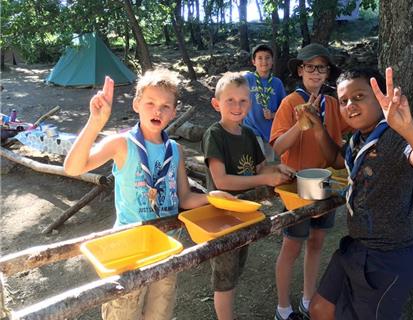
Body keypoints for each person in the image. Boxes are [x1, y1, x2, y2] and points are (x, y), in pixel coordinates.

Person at [64, 69, 232, 320]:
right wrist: (95, 122)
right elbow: (73, 167)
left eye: (166, 106)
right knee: (124, 312)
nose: (158, 111)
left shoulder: (174, 150)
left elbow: (184, 199)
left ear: (174, 112)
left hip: (167, 249)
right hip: (129, 252)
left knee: (159, 314)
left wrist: (214, 197)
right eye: (150, 103)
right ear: (136, 105)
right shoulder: (121, 144)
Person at [309, 67, 413, 320]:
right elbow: (336, 159)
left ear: (378, 97)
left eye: (359, 96)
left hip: (388, 258)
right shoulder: (357, 140)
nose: (350, 104)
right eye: (344, 101)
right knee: (320, 308)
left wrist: (408, 129)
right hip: (356, 248)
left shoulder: (394, 138)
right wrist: (318, 127)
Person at [202, 72, 295, 320]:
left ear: (250, 105)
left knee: (235, 270)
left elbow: (262, 168)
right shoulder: (215, 134)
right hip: (221, 219)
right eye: (230, 100)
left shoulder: (249, 135)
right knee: (225, 279)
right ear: (216, 104)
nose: (237, 106)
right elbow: (221, 181)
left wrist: (278, 169)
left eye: (243, 101)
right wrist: (265, 178)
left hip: (244, 215)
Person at [270, 43, 351, 320]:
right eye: (310, 67)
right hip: (296, 187)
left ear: (328, 73)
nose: (316, 72)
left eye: (322, 67)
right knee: (292, 245)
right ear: (300, 70)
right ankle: (283, 307)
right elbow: (277, 148)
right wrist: (300, 122)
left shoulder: (333, 104)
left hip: (326, 184)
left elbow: (354, 124)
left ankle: (307, 298)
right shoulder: (289, 103)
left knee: (317, 241)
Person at [243, 43, 286, 162]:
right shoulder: (247, 79)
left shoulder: (277, 83)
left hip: (270, 131)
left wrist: (272, 115)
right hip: (251, 129)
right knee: (257, 162)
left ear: (272, 61)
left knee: (269, 163)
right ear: (253, 61)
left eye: (267, 58)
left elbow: (284, 110)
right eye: (259, 58)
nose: (264, 61)